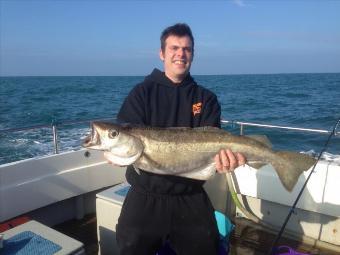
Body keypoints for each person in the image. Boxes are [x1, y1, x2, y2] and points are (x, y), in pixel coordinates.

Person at [107, 23, 246, 255]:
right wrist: (114, 150)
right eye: (174, 48)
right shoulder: (141, 93)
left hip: (190, 196)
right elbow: (124, 136)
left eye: (187, 49)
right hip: (145, 196)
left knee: (208, 248)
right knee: (129, 248)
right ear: (162, 53)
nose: (180, 54)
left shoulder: (207, 98)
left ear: (192, 54)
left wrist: (225, 162)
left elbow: (216, 148)